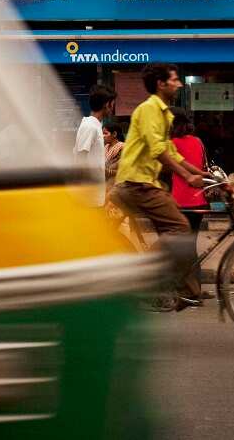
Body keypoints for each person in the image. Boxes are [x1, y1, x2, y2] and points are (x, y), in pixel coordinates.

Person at [109, 63, 208, 311]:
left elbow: (173, 152)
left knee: (174, 234)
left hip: (146, 183)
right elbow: (159, 151)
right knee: (180, 227)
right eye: (175, 80)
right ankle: (149, 274)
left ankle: (183, 290)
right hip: (136, 183)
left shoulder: (164, 113)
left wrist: (202, 174)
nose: (179, 83)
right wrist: (187, 176)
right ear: (161, 84)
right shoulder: (149, 109)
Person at [73, 85, 116, 206]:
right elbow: (81, 158)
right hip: (88, 199)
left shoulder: (96, 125)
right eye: (112, 104)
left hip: (94, 197)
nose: (112, 108)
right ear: (106, 104)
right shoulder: (90, 126)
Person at [169, 109, 209, 231]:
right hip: (199, 198)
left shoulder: (171, 143)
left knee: (179, 241)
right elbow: (202, 164)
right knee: (192, 237)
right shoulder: (198, 141)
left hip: (179, 199)